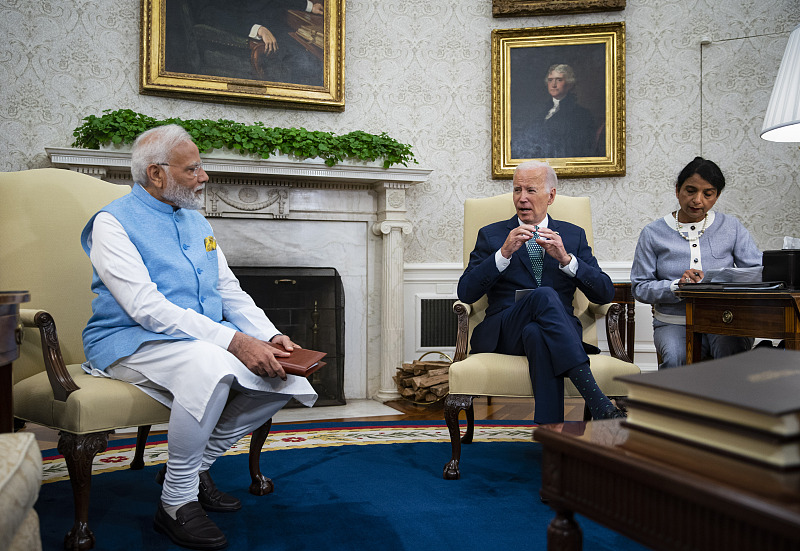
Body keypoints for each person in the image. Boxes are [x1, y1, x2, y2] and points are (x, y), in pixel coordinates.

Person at [80, 124, 317, 550]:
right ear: (156, 173)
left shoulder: (194, 219)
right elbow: (146, 309)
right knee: (208, 365)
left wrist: (269, 334)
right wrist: (232, 342)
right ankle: (175, 502)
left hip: (197, 339)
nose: (204, 177)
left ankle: (186, 472)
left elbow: (228, 290)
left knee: (288, 375)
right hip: (129, 341)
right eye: (193, 169)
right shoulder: (111, 224)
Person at [457, 160, 625, 424]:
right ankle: (596, 399)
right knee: (545, 294)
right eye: (517, 190)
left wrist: (567, 260)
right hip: (504, 330)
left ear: (551, 195)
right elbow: (466, 292)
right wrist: (503, 254)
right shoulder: (492, 236)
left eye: (531, 190)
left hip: (552, 332)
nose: (521, 198)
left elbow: (604, 293)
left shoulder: (572, 236)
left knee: (536, 333)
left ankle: (550, 436)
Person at [630, 157, 762, 369]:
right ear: (677, 190)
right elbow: (640, 287)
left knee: (733, 356)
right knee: (674, 360)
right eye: (690, 190)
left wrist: (724, 281)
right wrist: (676, 286)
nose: (697, 200)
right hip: (673, 323)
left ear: (716, 196)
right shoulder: (652, 233)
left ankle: (729, 402)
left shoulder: (731, 227)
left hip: (725, 320)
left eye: (707, 194)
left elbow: (757, 273)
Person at [511, 64, 598, 160]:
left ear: (569, 84)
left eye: (559, 80)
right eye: (550, 80)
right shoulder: (543, 111)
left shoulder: (582, 114)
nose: (553, 84)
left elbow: (577, 148)